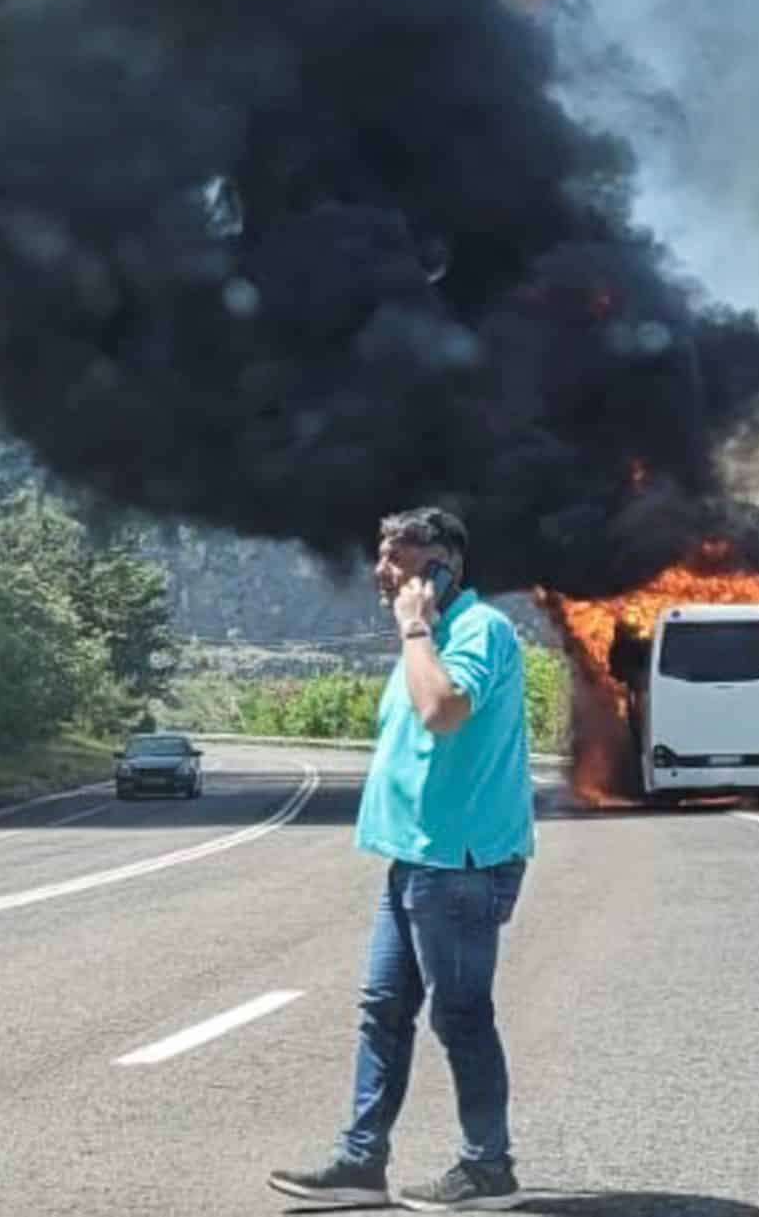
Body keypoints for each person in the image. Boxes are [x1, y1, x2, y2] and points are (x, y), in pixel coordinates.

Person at [270, 506, 535, 1212]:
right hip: (414, 860)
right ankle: (362, 1163)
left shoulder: (479, 630)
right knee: (384, 1009)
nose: (382, 571)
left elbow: (443, 710)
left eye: (400, 556)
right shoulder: (430, 635)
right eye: (381, 554)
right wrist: (417, 631)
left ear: (444, 565)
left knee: (460, 1013)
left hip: (459, 864)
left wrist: (417, 627)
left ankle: (488, 1169)